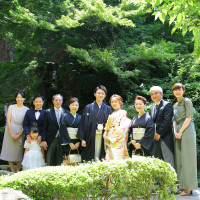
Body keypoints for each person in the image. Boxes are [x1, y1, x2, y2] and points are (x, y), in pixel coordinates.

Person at [172, 83, 198, 196]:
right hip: (177, 129)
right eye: (175, 90)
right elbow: (174, 119)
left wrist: (181, 131)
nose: (178, 92)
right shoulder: (175, 104)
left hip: (186, 129)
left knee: (188, 158)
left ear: (183, 91)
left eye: (180, 89)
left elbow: (188, 117)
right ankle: (182, 186)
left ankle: (189, 187)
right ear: (173, 92)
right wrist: (175, 131)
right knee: (179, 158)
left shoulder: (187, 101)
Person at [77, 85, 112, 162]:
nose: (100, 95)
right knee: (89, 156)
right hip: (90, 135)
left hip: (103, 135)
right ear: (95, 94)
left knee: (101, 155)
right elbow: (83, 124)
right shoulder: (88, 107)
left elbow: (110, 125)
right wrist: (82, 139)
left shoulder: (108, 108)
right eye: (99, 93)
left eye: (102, 93)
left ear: (105, 95)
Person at [0, 90, 29, 172]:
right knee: (10, 150)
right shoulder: (11, 107)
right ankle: (12, 171)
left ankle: (18, 170)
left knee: (19, 151)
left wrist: (19, 134)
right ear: (16, 98)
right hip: (10, 129)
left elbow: (26, 123)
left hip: (21, 130)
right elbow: (8, 121)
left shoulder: (27, 109)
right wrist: (11, 133)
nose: (19, 99)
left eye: (21, 97)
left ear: (24, 98)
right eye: (18, 97)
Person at [150, 86, 174, 167]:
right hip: (155, 138)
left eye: (156, 93)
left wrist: (159, 133)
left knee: (168, 160)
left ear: (162, 94)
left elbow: (167, 121)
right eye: (152, 94)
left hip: (165, 137)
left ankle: (172, 179)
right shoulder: (152, 108)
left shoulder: (167, 105)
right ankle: (161, 180)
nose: (154, 96)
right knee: (159, 161)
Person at [41, 94, 68, 166]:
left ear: (62, 101)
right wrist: (43, 140)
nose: (58, 102)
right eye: (56, 100)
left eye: (59, 100)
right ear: (53, 101)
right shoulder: (48, 112)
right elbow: (44, 127)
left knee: (61, 160)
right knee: (50, 159)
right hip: (51, 138)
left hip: (62, 139)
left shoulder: (66, 112)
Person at [103, 94, 131, 161]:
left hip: (118, 140)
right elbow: (107, 126)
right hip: (110, 139)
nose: (113, 103)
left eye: (115, 101)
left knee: (117, 157)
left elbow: (123, 127)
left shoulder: (123, 113)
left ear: (120, 102)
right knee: (110, 157)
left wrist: (109, 137)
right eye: (112, 102)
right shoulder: (112, 114)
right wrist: (105, 133)